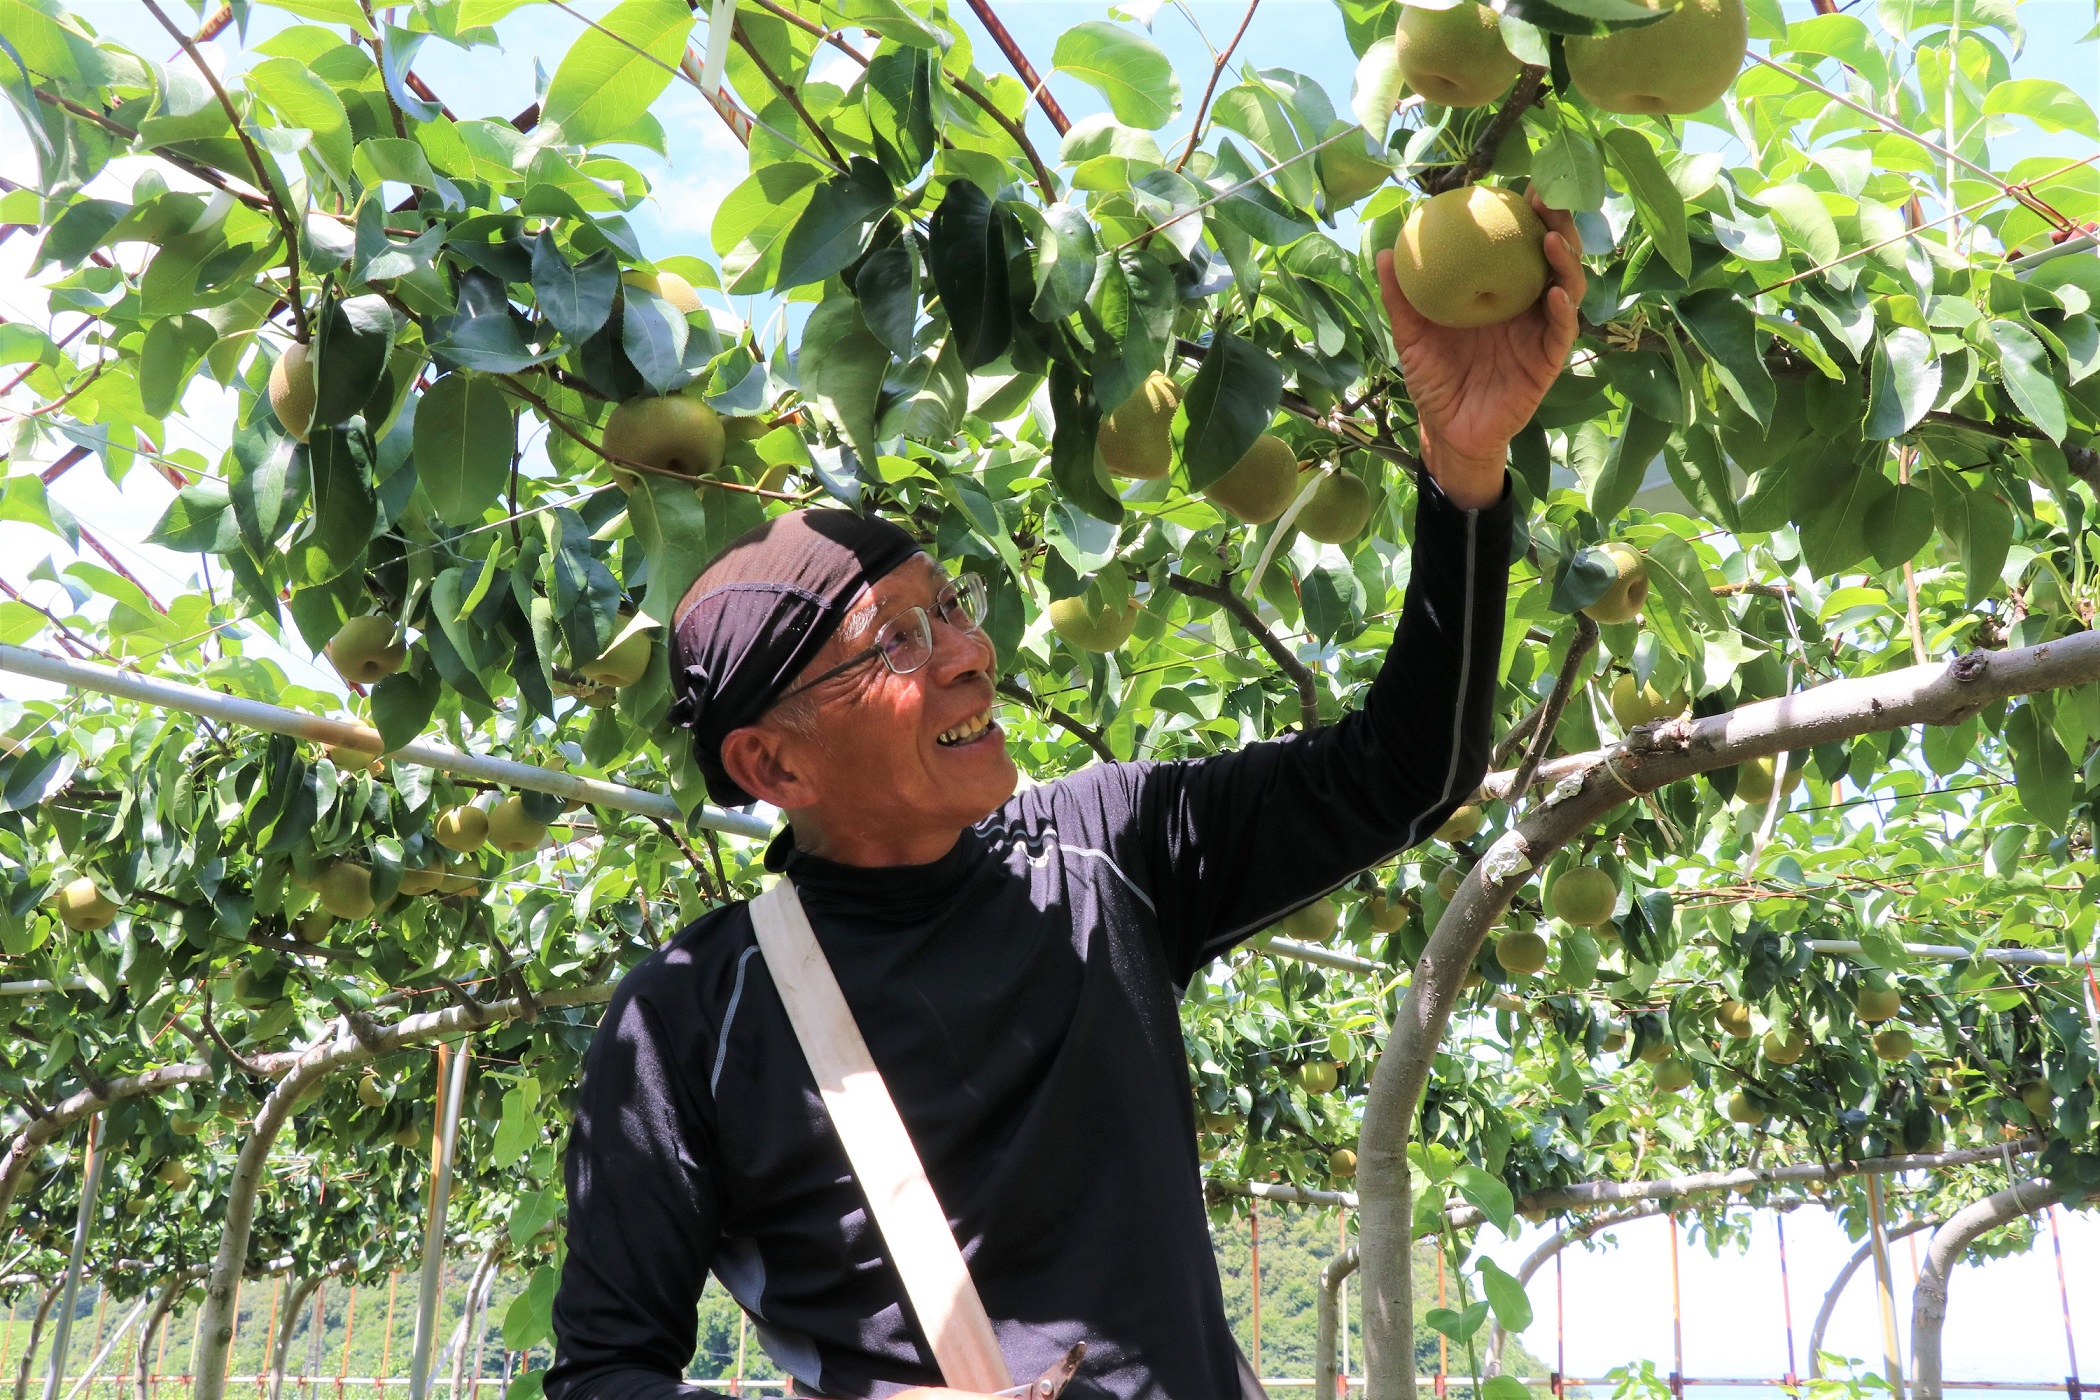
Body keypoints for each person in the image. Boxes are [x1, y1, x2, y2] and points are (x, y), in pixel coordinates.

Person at [544, 198, 1586, 1400]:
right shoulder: (691, 1018)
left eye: (954, 605)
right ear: (775, 767)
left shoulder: (1102, 850)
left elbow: (1405, 773)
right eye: (896, 639)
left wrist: (1462, 468)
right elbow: (604, 1372)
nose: (970, 652)